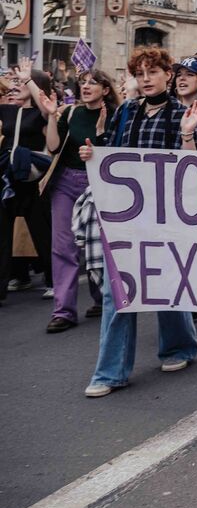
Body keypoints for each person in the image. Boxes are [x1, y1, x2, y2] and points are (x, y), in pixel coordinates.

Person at [82, 46, 197, 397]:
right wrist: (93, 153)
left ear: (168, 75)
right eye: (140, 73)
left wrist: (187, 134)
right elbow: (112, 153)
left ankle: (179, 346)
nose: (146, 79)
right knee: (116, 291)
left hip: (165, 215)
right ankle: (110, 373)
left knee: (166, 282)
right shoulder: (126, 112)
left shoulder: (181, 114)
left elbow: (192, 169)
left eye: (153, 72)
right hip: (124, 215)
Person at [31, 69, 117, 332]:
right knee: (63, 247)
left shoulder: (115, 115)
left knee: (98, 245)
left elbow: (117, 151)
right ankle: (64, 311)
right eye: (82, 82)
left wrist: (97, 148)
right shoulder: (71, 112)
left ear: (105, 90)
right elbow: (53, 147)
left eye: (93, 82)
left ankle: (102, 298)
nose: (86, 86)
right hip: (66, 182)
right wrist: (52, 115)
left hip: (99, 184)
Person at [1, 59, 55, 300]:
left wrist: (29, 80)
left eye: (20, 83)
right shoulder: (7, 110)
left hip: (33, 179)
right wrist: (12, 82)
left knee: (41, 231)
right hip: (9, 178)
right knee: (3, 233)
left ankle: (53, 280)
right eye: (15, 82)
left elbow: (46, 108)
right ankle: (3, 285)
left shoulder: (41, 113)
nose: (16, 86)